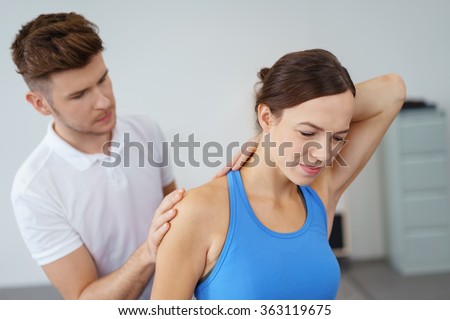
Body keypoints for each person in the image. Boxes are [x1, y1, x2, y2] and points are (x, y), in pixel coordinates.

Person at [9, 12, 243, 300]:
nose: (104, 100)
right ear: (40, 103)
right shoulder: (34, 189)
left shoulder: (145, 130)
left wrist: (229, 185)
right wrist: (149, 251)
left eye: (103, 79)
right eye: (80, 95)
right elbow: (84, 302)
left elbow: (175, 216)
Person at [150, 49, 406, 299]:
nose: (323, 155)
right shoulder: (196, 212)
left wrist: (266, 134)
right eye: (307, 133)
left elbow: (393, 91)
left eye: (338, 137)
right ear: (265, 116)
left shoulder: (320, 193)